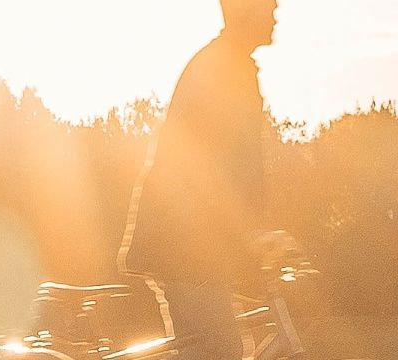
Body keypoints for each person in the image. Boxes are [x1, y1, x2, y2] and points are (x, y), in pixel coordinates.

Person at [116, 0, 279, 359]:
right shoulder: (222, 69)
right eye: (269, 3)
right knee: (220, 350)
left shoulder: (229, 64)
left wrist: (255, 241)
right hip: (184, 247)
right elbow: (219, 173)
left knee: (226, 348)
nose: (277, 10)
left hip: (195, 248)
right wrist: (250, 241)